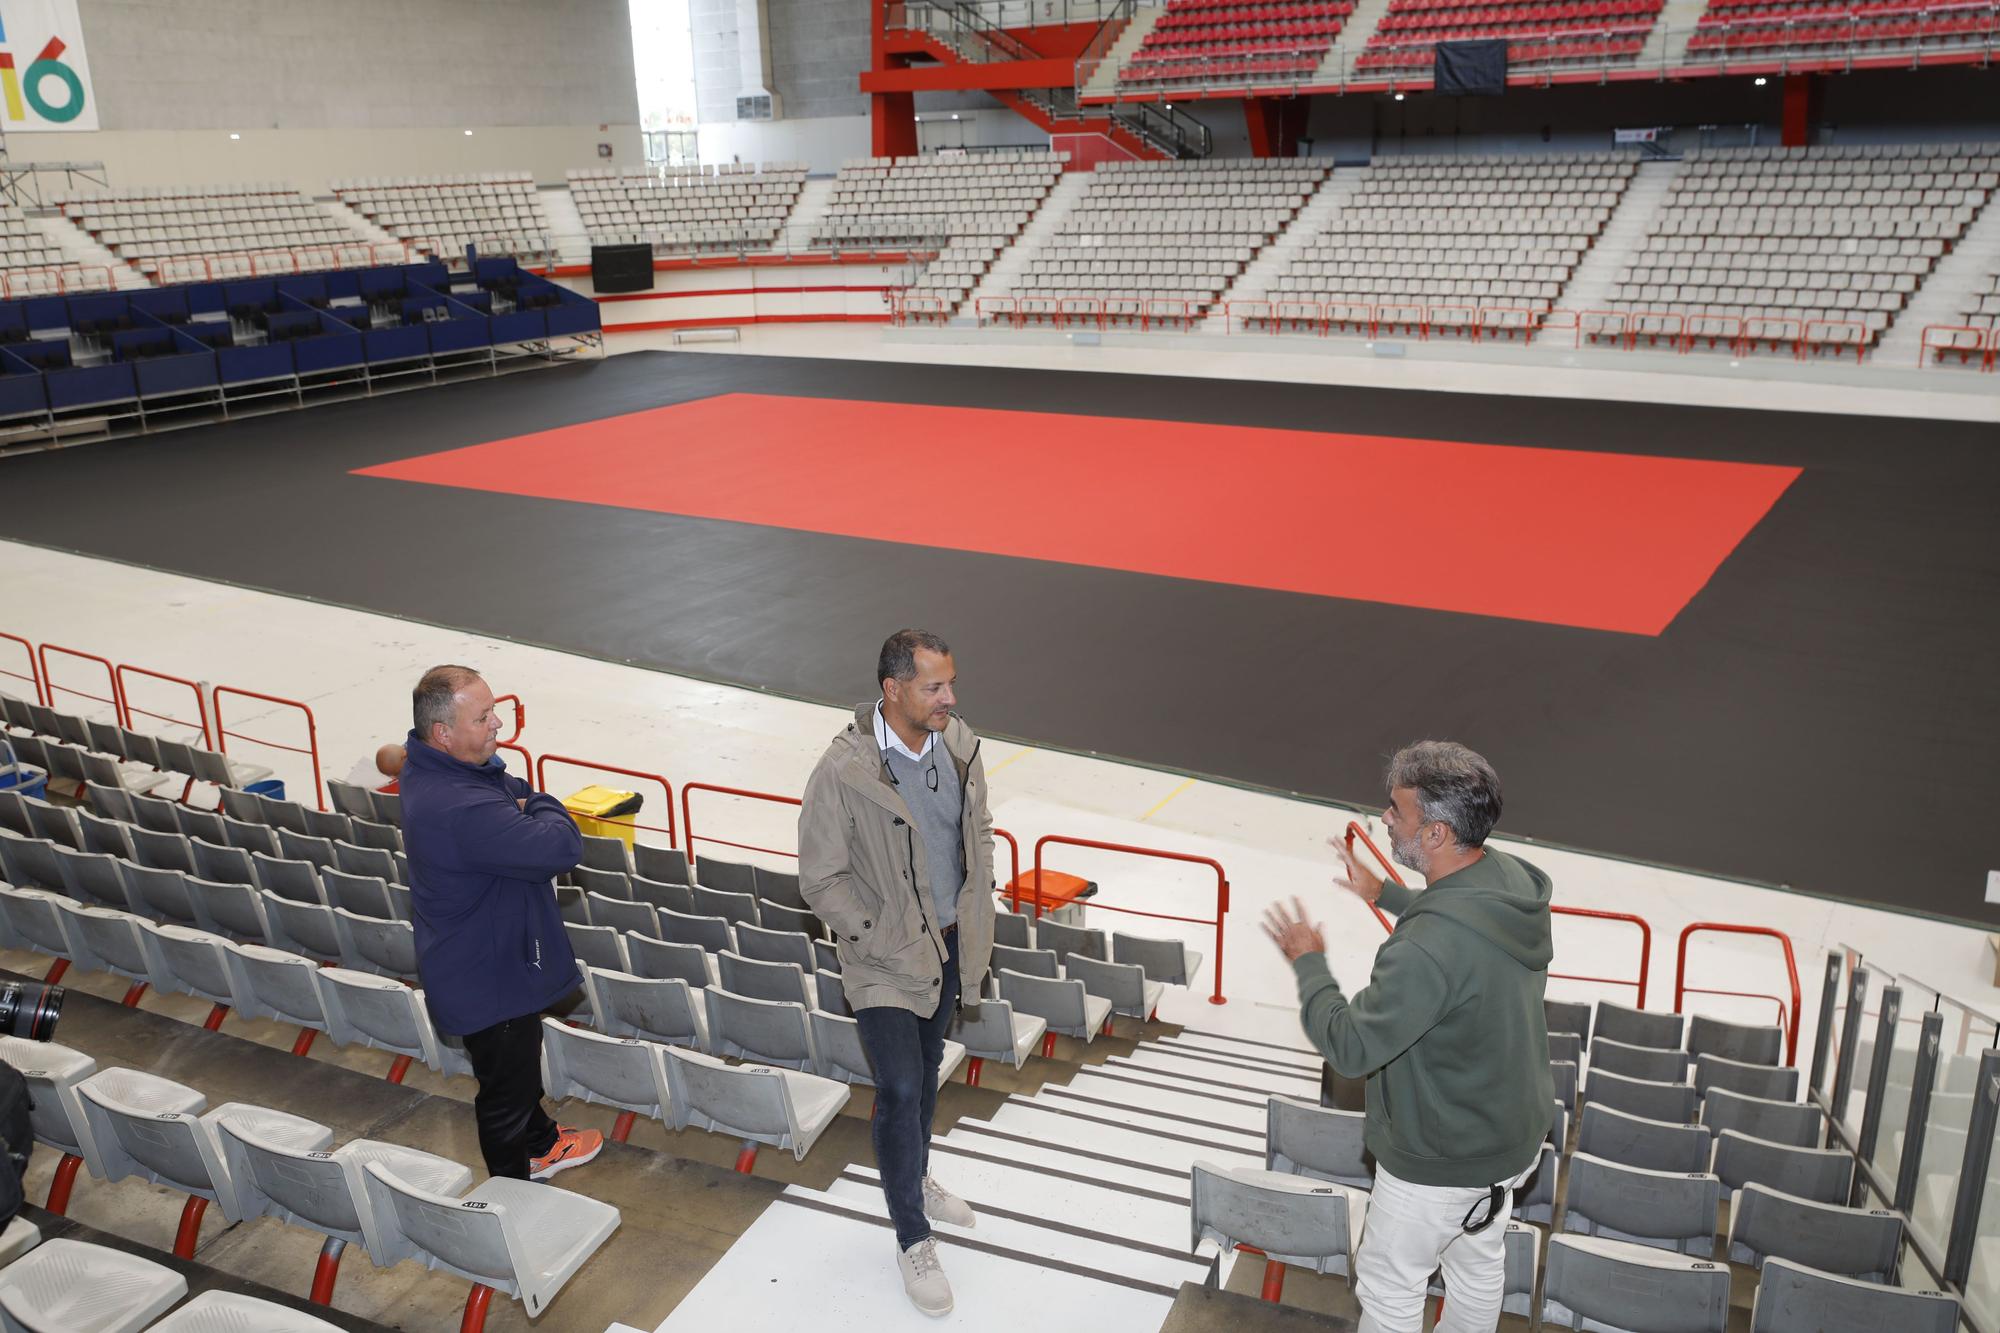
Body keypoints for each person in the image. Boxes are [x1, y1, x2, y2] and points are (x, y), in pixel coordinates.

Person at [1264, 741, 1553, 1333]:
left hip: (1440, 1165)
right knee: (1477, 1267)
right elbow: (1459, 913)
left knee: (1391, 1289)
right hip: (1510, 1141)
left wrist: (1309, 963)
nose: (1385, 820)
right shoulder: (1510, 880)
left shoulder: (1425, 949)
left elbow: (1350, 1047)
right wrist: (1387, 894)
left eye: (1398, 812)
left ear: (1438, 834)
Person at [799, 629, 995, 1317]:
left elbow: (978, 835)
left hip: (945, 948)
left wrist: (972, 917)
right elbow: (819, 878)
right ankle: (912, 1233)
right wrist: (873, 934)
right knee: (901, 1084)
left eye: (950, 683)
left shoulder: (961, 747)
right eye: (935, 686)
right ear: (894, 690)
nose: (950, 697)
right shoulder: (842, 770)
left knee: (928, 1070)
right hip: (882, 960)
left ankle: (914, 1171)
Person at [399, 664, 603, 1181]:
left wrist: (519, 801)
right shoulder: (463, 808)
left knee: (512, 1071)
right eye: (484, 716)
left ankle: (542, 1141)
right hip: (492, 979)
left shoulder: (431, 765)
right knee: (504, 1095)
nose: (497, 725)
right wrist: (540, 804)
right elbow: (563, 845)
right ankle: (513, 1196)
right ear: (443, 733)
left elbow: (503, 781)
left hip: (479, 962)